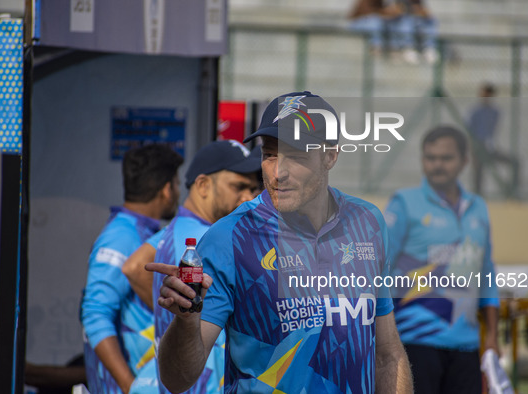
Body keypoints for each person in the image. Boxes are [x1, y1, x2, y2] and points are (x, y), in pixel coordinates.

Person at [147, 91, 413, 393]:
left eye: (296, 156)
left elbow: (387, 354)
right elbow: (177, 379)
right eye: (270, 154)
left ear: (330, 155)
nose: (277, 173)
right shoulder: (229, 238)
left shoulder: (368, 222)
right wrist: (185, 321)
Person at [121, 140, 261, 394]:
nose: (249, 197)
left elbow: (134, 265)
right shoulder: (208, 239)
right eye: (239, 186)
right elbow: (134, 267)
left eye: (254, 188)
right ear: (203, 185)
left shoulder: (177, 231)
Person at [384, 125, 500, 394]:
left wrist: (492, 336)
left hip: (467, 346)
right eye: (430, 157)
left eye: (446, 158)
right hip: (414, 343)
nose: (437, 165)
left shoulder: (478, 208)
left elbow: (486, 275)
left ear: (464, 161)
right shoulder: (404, 204)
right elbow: (379, 271)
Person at [80, 144, 184, 393]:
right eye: (178, 184)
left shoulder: (140, 232)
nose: (179, 192)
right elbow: (95, 315)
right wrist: (130, 387)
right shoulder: (121, 236)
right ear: (167, 190)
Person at [467, 82, 520, 196]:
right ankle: (477, 196)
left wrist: (491, 144)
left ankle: (514, 191)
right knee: (478, 174)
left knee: (515, 162)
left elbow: (492, 132)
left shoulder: (495, 112)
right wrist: (473, 148)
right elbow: (469, 131)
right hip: (478, 148)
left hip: (491, 147)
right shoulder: (475, 112)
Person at [394, 0, 439, 64]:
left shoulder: (418, 2)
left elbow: (425, 12)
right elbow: (397, 11)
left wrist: (414, 10)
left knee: (430, 21)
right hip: (399, 22)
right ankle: (407, 48)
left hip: (415, 21)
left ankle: (429, 48)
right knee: (406, 23)